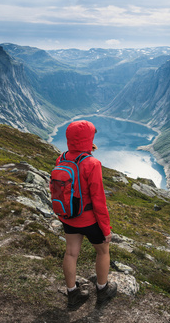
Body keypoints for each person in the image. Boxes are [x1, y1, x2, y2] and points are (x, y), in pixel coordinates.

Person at [56, 120, 117, 310]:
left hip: (69, 217)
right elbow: (99, 200)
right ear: (88, 138)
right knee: (103, 251)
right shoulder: (92, 163)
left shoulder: (61, 158)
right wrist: (106, 229)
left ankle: (73, 294)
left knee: (71, 253)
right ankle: (103, 289)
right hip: (90, 219)